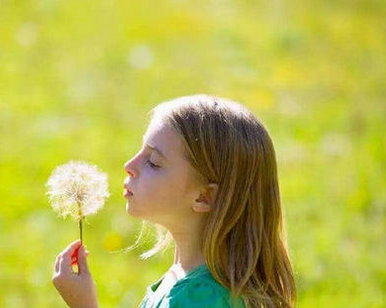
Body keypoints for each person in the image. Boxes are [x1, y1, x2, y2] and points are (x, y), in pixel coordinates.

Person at [52, 94, 297, 308]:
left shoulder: (202, 300)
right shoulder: (186, 282)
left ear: (204, 197)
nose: (129, 166)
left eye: (154, 162)